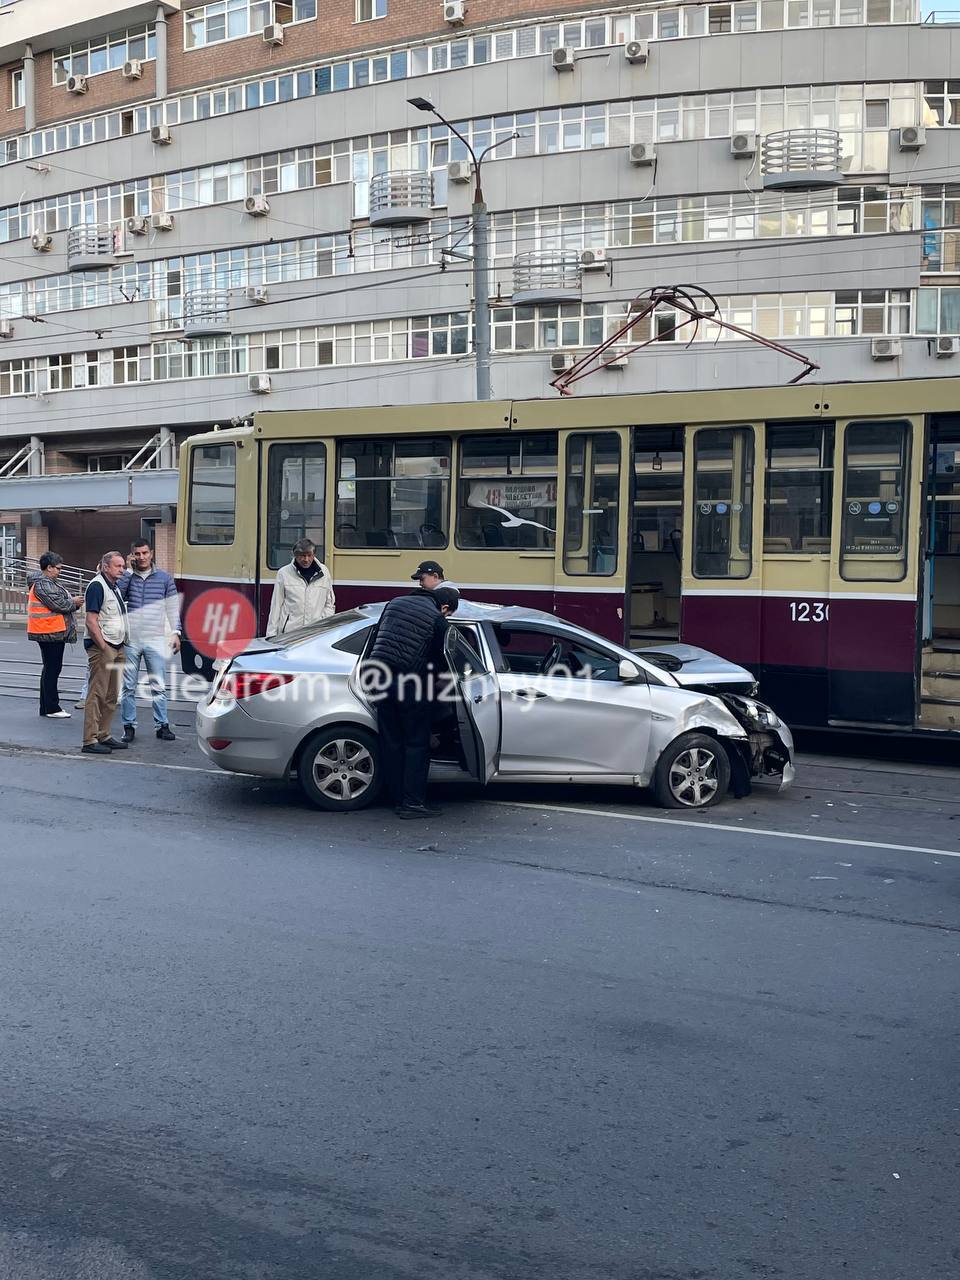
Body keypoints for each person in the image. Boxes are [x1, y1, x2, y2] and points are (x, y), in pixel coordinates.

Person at [367, 584, 459, 819]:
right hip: (410, 685)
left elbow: (377, 637)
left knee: (392, 742)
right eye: (448, 613)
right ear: (445, 607)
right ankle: (412, 803)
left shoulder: (394, 603)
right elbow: (441, 659)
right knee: (417, 744)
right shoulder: (438, 619)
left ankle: (397, 798)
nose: (447, 616)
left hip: (380, 681)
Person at [120, 538, 182, 743]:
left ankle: (162, 725)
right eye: (137, 554)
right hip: (132, 639)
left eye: (145, 553)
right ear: (132, 556)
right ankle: (129, 726)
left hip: (155, 638)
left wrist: (176, 632)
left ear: (151, 553)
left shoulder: (164, 578)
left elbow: (173, 608)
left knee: (158, 685)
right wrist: (128, 572)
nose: (142, 557)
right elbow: (118, 595)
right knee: (128, 686)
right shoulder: (128, 577)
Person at [81, 551, 130, 756]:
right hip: (104, 647)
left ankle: (104, 734)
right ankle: (89, 740)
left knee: (111, 694)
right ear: (106, 567)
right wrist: (104, 647)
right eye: (118, 566)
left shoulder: (114, 586)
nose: (122, 569)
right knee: (97, 694)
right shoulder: (97, 586)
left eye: (122, 566)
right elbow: (91, 621)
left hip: (117, 645)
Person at [26, 552, 84, 719]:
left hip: (49, 631)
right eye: (58, 568)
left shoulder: (45, 583)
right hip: (49, 631)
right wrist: (74, 602)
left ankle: (47, 706)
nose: (60, 571)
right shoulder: (43, 584)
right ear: (49, 567)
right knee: (52, 669)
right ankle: (52, 707)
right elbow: (59, 604)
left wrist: (70, 601)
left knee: (50, 669)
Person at [266, 538, 335, 635]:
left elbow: (330, 603)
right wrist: (271, 635)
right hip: (290, 633)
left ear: (314, 555)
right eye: (302, 556)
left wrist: (322, 621)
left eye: (309, 555)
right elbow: (276, 606)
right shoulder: (284, 573)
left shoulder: (324, 572)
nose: (306, 559)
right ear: (295, 556)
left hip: (315, 633)